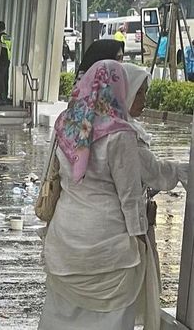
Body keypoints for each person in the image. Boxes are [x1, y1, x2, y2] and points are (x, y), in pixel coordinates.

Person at [39, 60, 188, 330]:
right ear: (118, 89)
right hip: (108, 249)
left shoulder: (66, 123)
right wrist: (140, 237)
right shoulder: (120, 135)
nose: (143, 98)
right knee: (108, 319)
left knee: (63, 315)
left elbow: (52, 172)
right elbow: (129, 198)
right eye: (138, 91)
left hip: (65, 241)